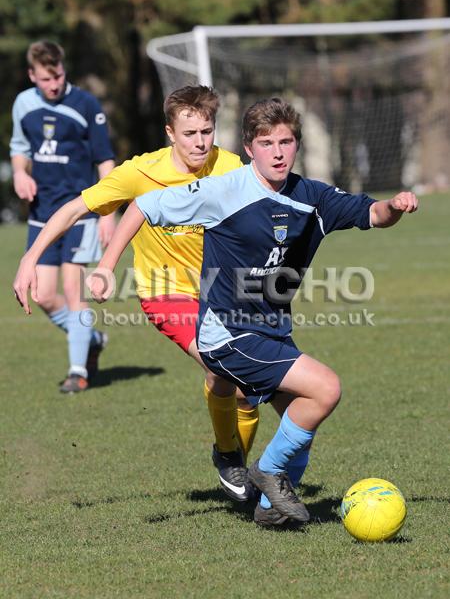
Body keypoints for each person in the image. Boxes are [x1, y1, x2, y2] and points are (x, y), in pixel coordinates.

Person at [86, 97, 418, 528]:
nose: (278, 152)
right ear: (248, 147)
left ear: (296, 144)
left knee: (302, 420)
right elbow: (143, 207)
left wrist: (394, 207)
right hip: (226, 333)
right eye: (266, 143)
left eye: (286, 141)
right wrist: (106, 267)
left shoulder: (311, 196)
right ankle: (265, 472)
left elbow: (371, 212)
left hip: (270, 332)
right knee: (326, 388)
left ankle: (268, 511)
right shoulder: (223, 191)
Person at [13, 85, 260, 503]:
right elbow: (75, 209)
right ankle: (230, 460)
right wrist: (31, 258)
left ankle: (234, 467)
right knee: (222, 364)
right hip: (166, 293)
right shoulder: (140, 173)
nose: (200, 142)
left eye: (207, 131)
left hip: (224, 293)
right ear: (170, 133)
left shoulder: (232, 166)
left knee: (248, 391)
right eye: (190, 133)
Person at [10, 40, 115, 393]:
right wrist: (20, 172)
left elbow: (105, 161)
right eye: (45, 79)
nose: (53, 85)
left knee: (74, 289)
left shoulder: (85, 104)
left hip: (81, 211)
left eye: (57, 76)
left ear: (63, 70)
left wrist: (106, 213)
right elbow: (20, 149)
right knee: (40, 294)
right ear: (32, 75)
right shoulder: (23, 104)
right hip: (42, 213)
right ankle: (91, 339)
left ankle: (77, 371)